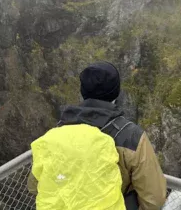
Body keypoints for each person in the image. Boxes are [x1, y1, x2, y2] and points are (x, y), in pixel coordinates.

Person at [27, 61, 167, 210]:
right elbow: (154, 199)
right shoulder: (131, 136)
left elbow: (34, 186)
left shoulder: (59, 132)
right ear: (116, 92)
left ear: (83, 91)